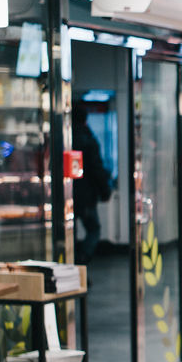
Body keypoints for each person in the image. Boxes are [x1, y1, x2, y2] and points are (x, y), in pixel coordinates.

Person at [72, 109, 111, 264]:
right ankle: (82, 259)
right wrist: (105, 190)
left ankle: (75, 264)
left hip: (69, 196)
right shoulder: (89, 139)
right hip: (86, 196)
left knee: (70, 232)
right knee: (94, 230)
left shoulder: (62, 138)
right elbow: (96, 168)